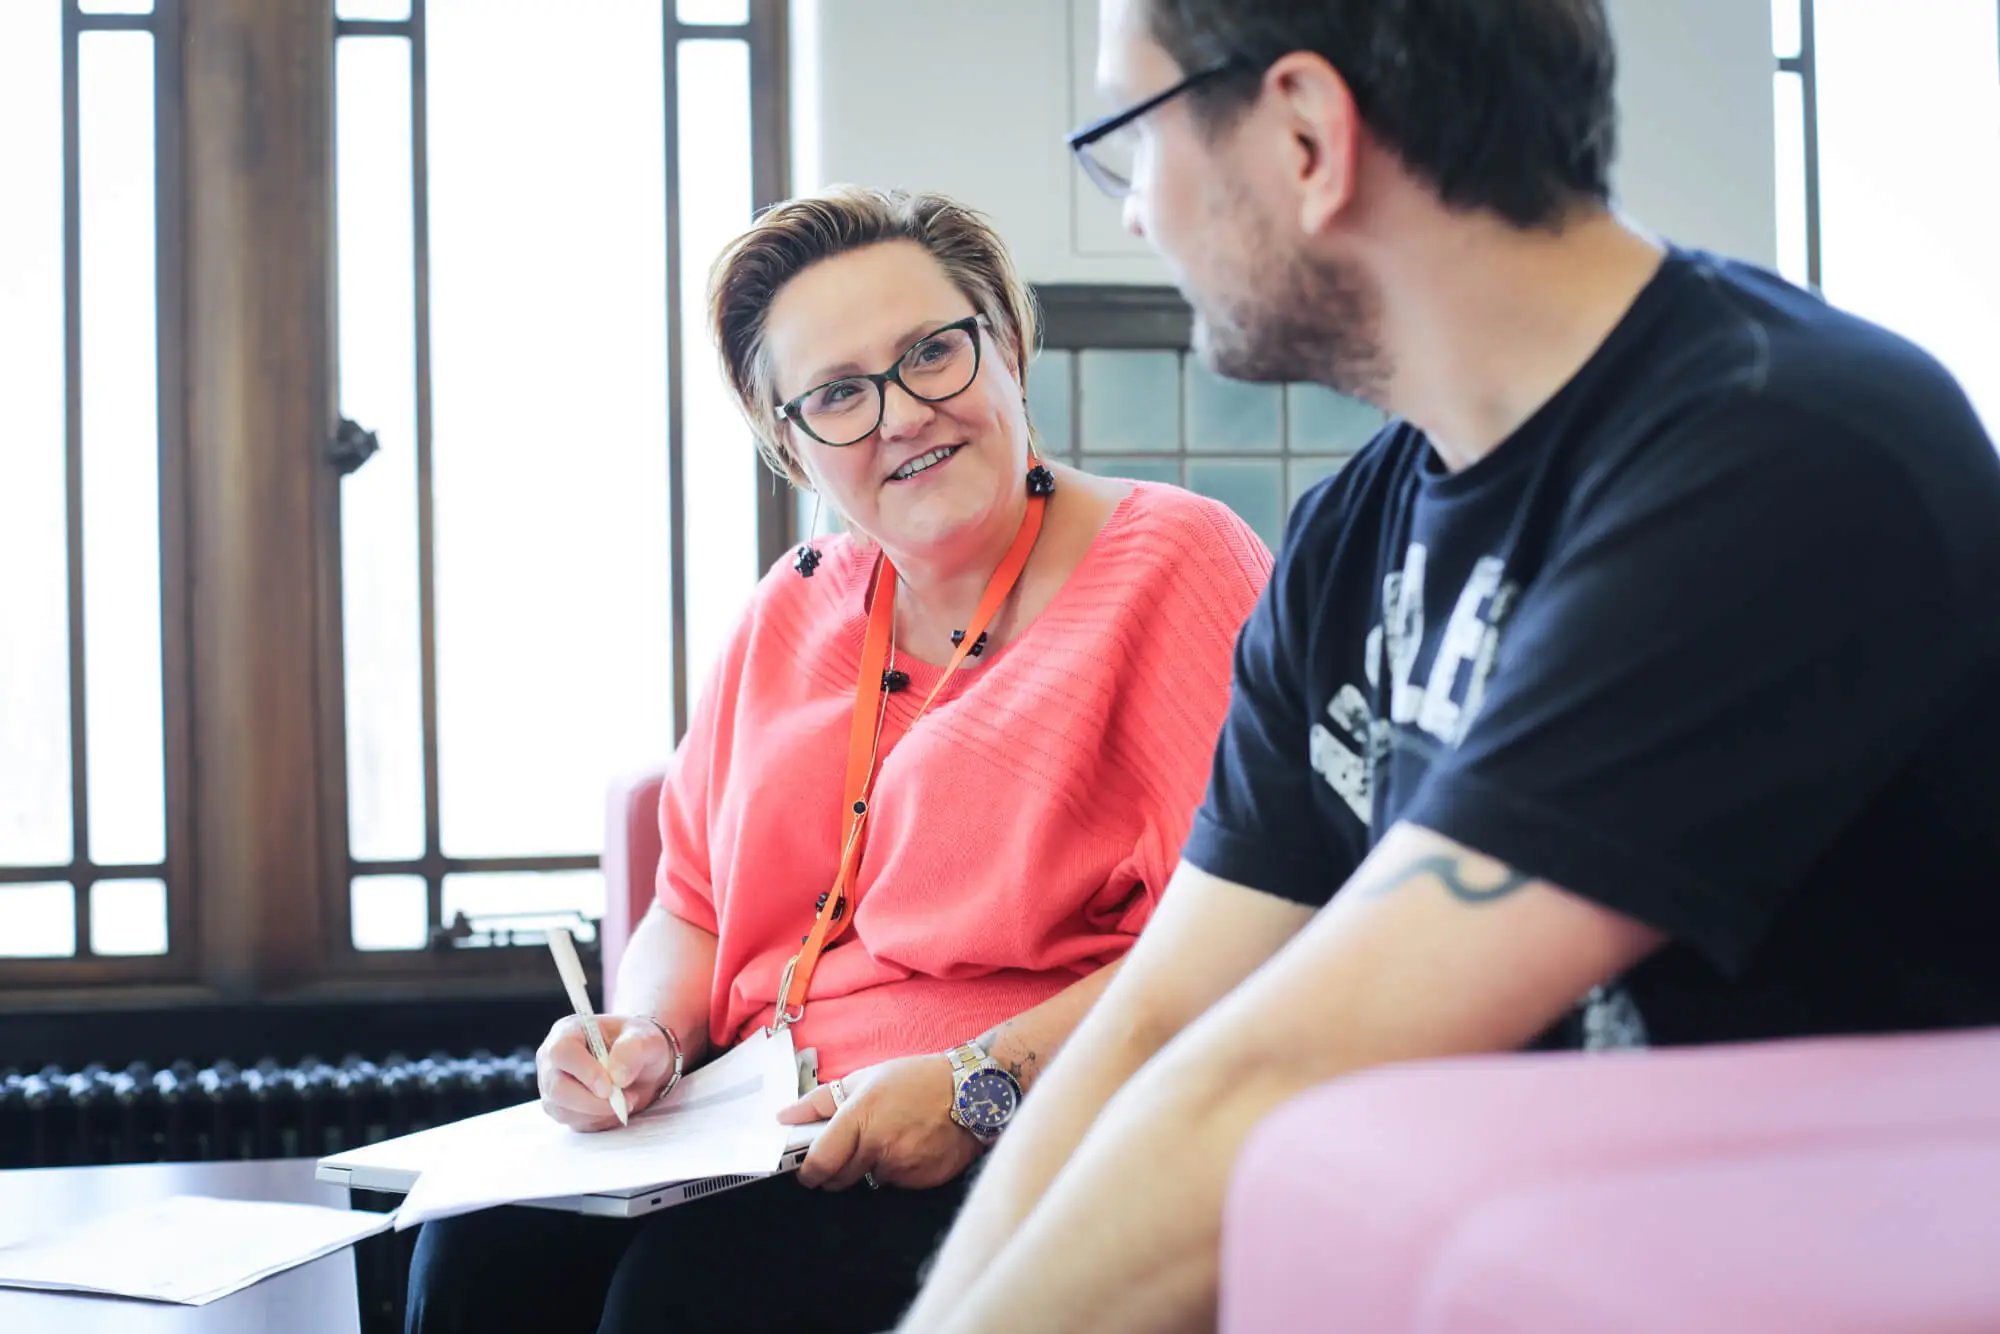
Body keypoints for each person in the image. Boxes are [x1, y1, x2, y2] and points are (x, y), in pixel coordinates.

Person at [894, 1, 2000, 1331]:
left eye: (1133, 135)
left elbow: (1272, 1069)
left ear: (1307, 134)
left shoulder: (1785, 454)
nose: (1132, 213)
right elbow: (1162, 1022)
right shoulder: (1352, 529)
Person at [402, 185, 1272, 1334]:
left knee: (691, 1300)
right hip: (749, 1123)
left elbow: (1243, 933)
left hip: (1033, 1117)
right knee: (473, 1253)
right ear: (789, 441)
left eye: (931, 355)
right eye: (839, 396)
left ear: (1004, 346)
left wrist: (978, 1084)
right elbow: (692, 902)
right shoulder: (792, 606)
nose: (902, 415)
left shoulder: (1174, 563)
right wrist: (647, 1032)